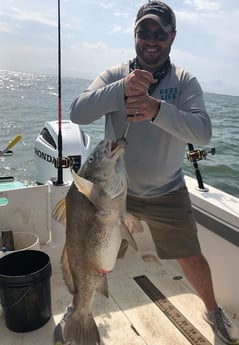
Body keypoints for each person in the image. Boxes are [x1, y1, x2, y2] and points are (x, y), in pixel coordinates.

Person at [54, 1, 239, 344]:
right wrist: (121, 89)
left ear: (172, 37)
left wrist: (157, 109)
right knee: (86, 251)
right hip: (111, 194)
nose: (151, 40)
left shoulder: (184, 81)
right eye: (145, 32)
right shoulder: (114, 75)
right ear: (135, 34)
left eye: (160, 33)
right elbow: (78, 112)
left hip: (167, 191)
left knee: (191, 256)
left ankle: (213, 310)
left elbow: (203, 132)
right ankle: (78, 307)